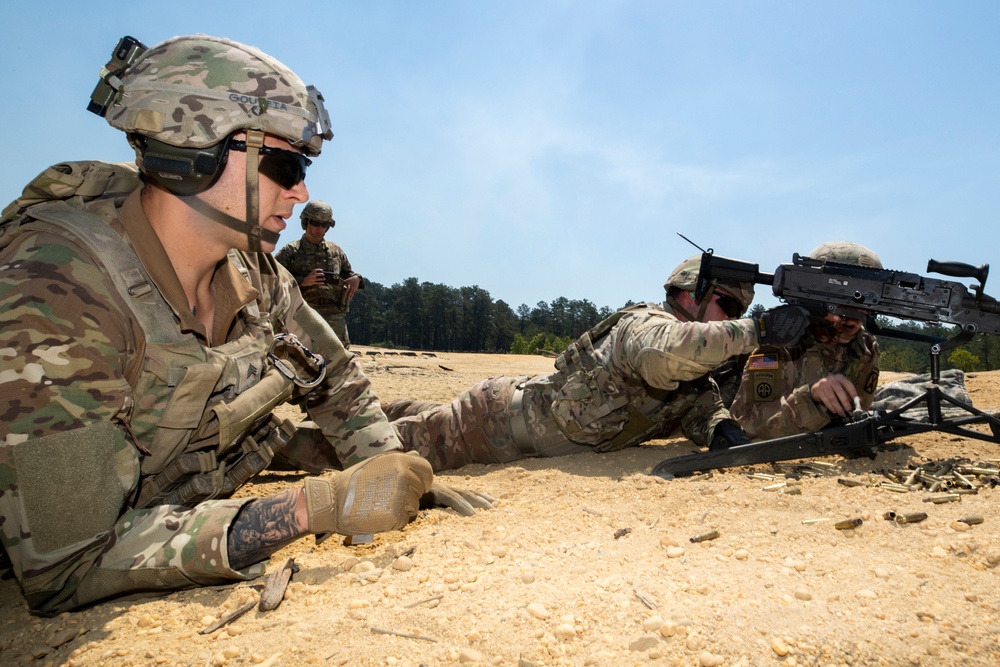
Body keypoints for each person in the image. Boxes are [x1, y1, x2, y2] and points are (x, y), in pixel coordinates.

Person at [0, 34, 469, 616]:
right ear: (198, 152)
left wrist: (387, 468)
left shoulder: (255, 271)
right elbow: (66, 565)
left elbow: (337, 379)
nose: (301, 192)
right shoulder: (55, 288)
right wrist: (313, 507)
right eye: (286, 164)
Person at [373, 255, 812, 471]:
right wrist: (758, 331)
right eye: (727, 305)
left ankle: (389, 408)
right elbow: (664, 356)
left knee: (407, 419)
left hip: (508, 416)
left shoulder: (697, 374)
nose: (732, 320)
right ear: (689, 293)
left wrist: (721, 428)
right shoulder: (645, 327)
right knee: (370, 451)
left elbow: (702, 409)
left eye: (739, 313)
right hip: (491, 426)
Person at [729, 241, 882, 440]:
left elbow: (857, 415)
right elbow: (744, 422)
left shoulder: (866, 347)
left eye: (867, 299)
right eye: (847, 298)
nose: (859, 313)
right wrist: (811, 398)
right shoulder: (780, 340)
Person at [275, 201, 363, 348]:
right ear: (306, 222)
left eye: (325, 225)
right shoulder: (290, 251)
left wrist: (356, 279)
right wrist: (303, 282)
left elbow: (349, 274)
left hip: (334, 317)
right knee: (300, 361)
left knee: (339, 362)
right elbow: (273, 280)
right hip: (302, 314)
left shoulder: (336, 251)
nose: (320, 228)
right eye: (316, 223)